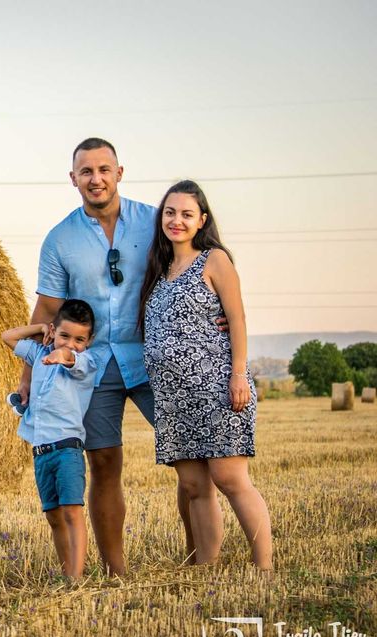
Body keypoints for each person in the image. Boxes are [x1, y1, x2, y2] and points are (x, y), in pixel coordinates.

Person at [22, 137, 224, 575]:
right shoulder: (60, 239)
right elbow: (47, 311)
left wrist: (221, 312)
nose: (96, 179)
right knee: (104, 463)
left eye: (103, 169)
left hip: (157, 356)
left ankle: (197, 559)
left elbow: (199, 262)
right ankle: (117, 571)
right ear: (73, 179)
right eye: (86, 171)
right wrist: (26, 376)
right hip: (90, 367)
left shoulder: (153, 222)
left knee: (189, 460)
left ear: (119, 173)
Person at [139, 180, 273, 569]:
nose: (176, 220)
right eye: (169, 212)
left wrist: (238, 375)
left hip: (217, 386)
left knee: (229, 478)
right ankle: (205, 568)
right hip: (173, 397)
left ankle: (265, 566)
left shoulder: (214, 260)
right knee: (195, 486)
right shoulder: (158, 270)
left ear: (202, 220)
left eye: (185, 214)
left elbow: (237, 318)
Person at [2, 299, 99, 579]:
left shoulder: (86, 362)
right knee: (54, 516)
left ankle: (76, 576)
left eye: (80, 339)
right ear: (54, 331)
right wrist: (40, 327)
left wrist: (64, 354)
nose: (71, 343)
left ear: (89, 340)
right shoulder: (39, 354)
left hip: (67, 450)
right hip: (41, 452)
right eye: (65, 336)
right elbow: (7, 337)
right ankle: (66, 570)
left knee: (71, 512)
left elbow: (73, 359)